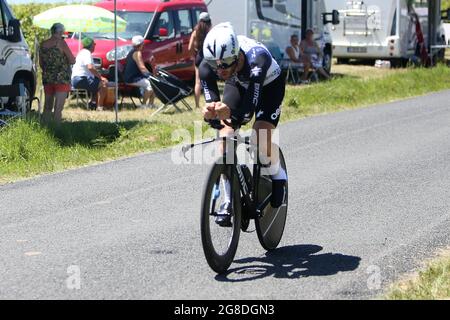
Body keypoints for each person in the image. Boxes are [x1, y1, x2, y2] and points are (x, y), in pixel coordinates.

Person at [199, 22, 287, 226]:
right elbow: (213, 104)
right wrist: (210, 110)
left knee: (260, 135)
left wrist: (228, 112)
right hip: (238, 82)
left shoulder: (258, 60)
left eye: (224, 65)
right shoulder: (209, 64)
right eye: (215, 65)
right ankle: (228, 199)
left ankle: (278, 175)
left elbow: (248, 109)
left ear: (238, 56)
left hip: (268, 87)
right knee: (225, 133)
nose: (219, 71)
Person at [39, 23, 75, 123]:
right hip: (61, 78)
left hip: (47, 78)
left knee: (47, 107)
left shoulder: (43, 44)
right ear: (60, 32)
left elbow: (41, 63)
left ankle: (45, 129)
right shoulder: (61, 43)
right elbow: (72, 60)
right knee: (58, 108)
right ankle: (56, 131)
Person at [71, 37, 108, 111]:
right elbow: (90, 67)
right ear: (91, 45)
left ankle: (93, 103)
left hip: (75, 79)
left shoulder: (81, 52)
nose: (94, 46)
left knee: (96, 82)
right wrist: (100, 77)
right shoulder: (87, 53)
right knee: (104, 83)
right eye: (94, 44)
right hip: (81, 79)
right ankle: (99, 107)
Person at [123, 35, 156, 109]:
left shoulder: (131, 52)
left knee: (154, 84)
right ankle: (143, 105)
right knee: (151, 85)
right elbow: (142, 68)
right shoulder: (138, 53)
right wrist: (151, 75)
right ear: (141, 44)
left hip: (131, 76)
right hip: (131, 78)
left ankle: (151, 105)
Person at [188, 12, 212, 109]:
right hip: (208, 57)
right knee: (210, 81)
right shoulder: (210, 32)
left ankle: (197, 105)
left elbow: (190, 48)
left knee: (197, 82)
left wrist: (194, 55)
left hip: (199, 56)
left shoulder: (195, 32)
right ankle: (210, 102)